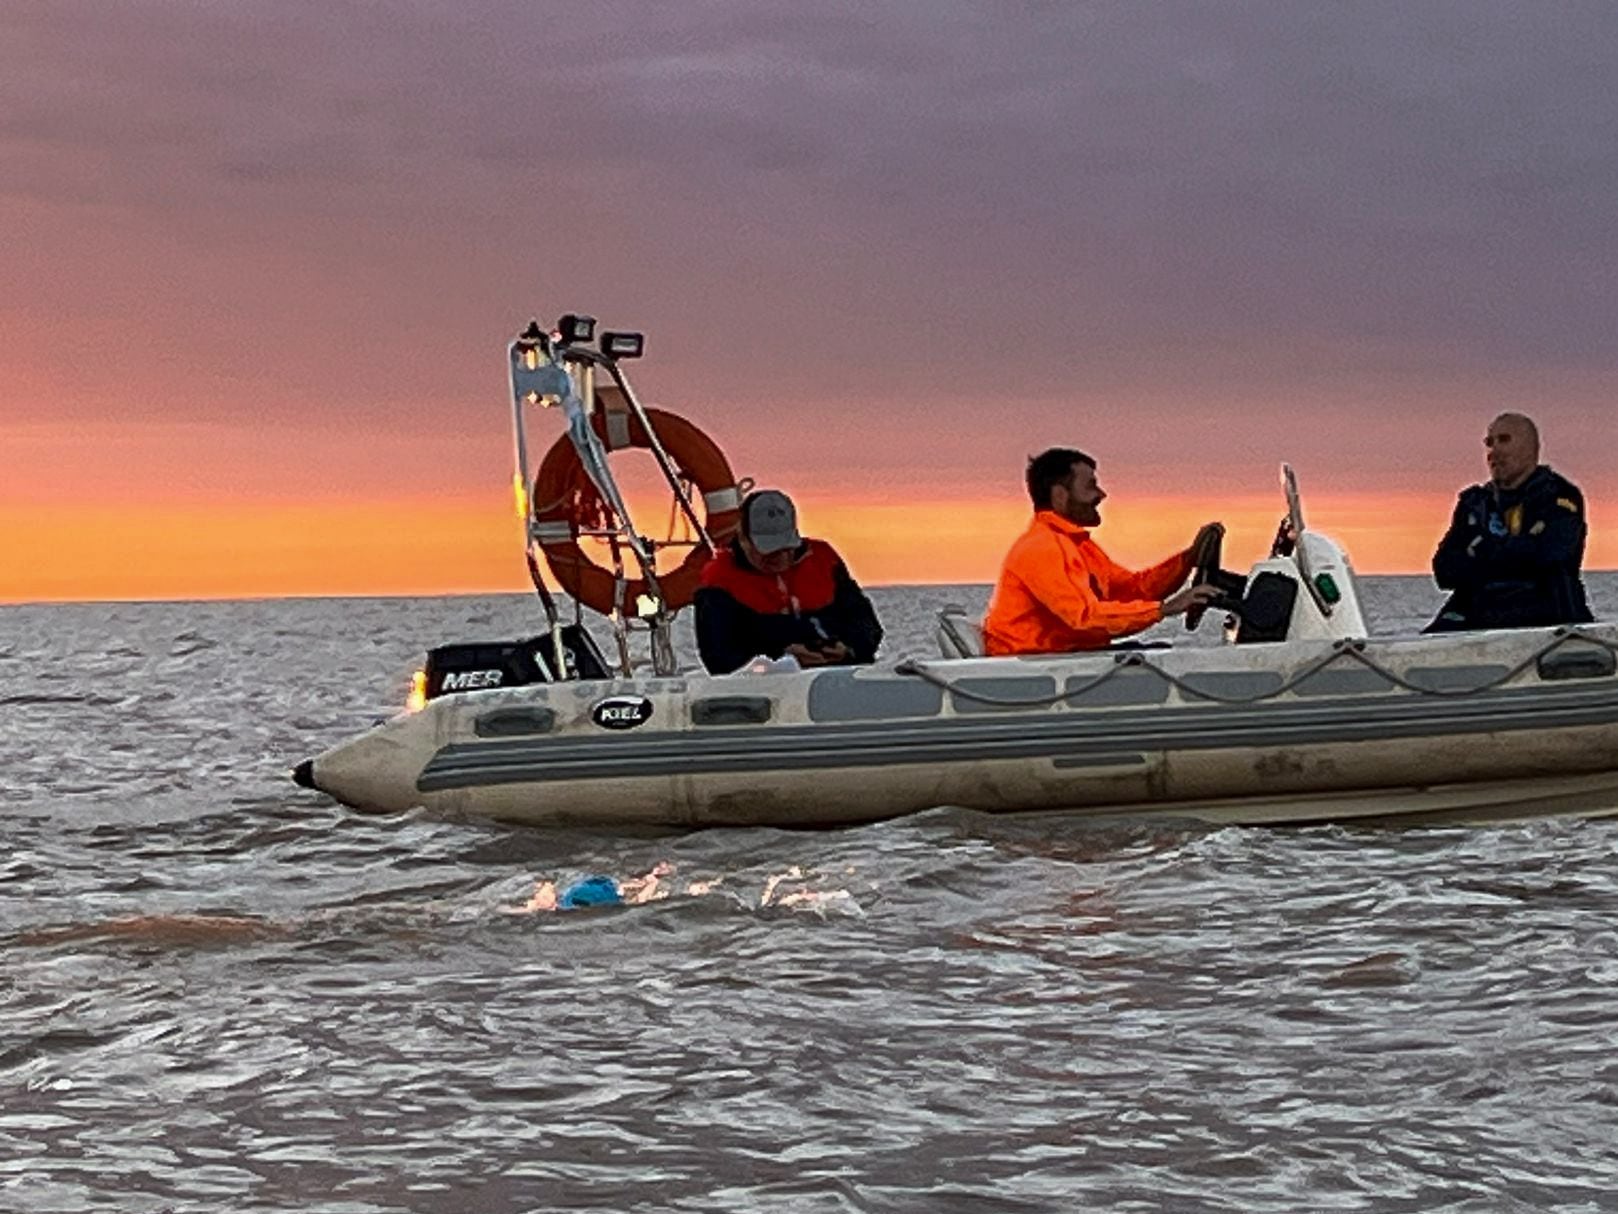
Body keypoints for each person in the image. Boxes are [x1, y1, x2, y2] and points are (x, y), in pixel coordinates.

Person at [982, 447, 1223, 656]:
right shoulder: (1041, 548)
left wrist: (1187, 560)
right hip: (1030, 667)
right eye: (1090, 486)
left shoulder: (1079, 546)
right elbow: (1084, 617)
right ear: (1060, 495)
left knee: (1157, 656)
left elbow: (1134, 590)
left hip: (1063, 660)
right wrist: (1165, 609)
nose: (1101, 495)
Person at [1426, 412, 1593, 632]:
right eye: (1489, 443)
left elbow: (1549, 555)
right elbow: (1444, 571)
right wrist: (1509, 552)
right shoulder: (1474, 504)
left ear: (1531, 448)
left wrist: (1480, 550)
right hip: (1478, 612)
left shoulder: (1559, 497)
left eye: (1504, 440)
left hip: (1546, 616)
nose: (1494, 451)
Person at [694, 489, 883, 675]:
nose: (780, 557)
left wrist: (849, 648)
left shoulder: (824, 560)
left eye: (786, 548)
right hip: (771, 684)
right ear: (743, 539)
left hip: (841, 674)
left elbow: (866, 623)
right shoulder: (719, 580)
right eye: (769, 551)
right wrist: (784, 658)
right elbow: (720, 659)